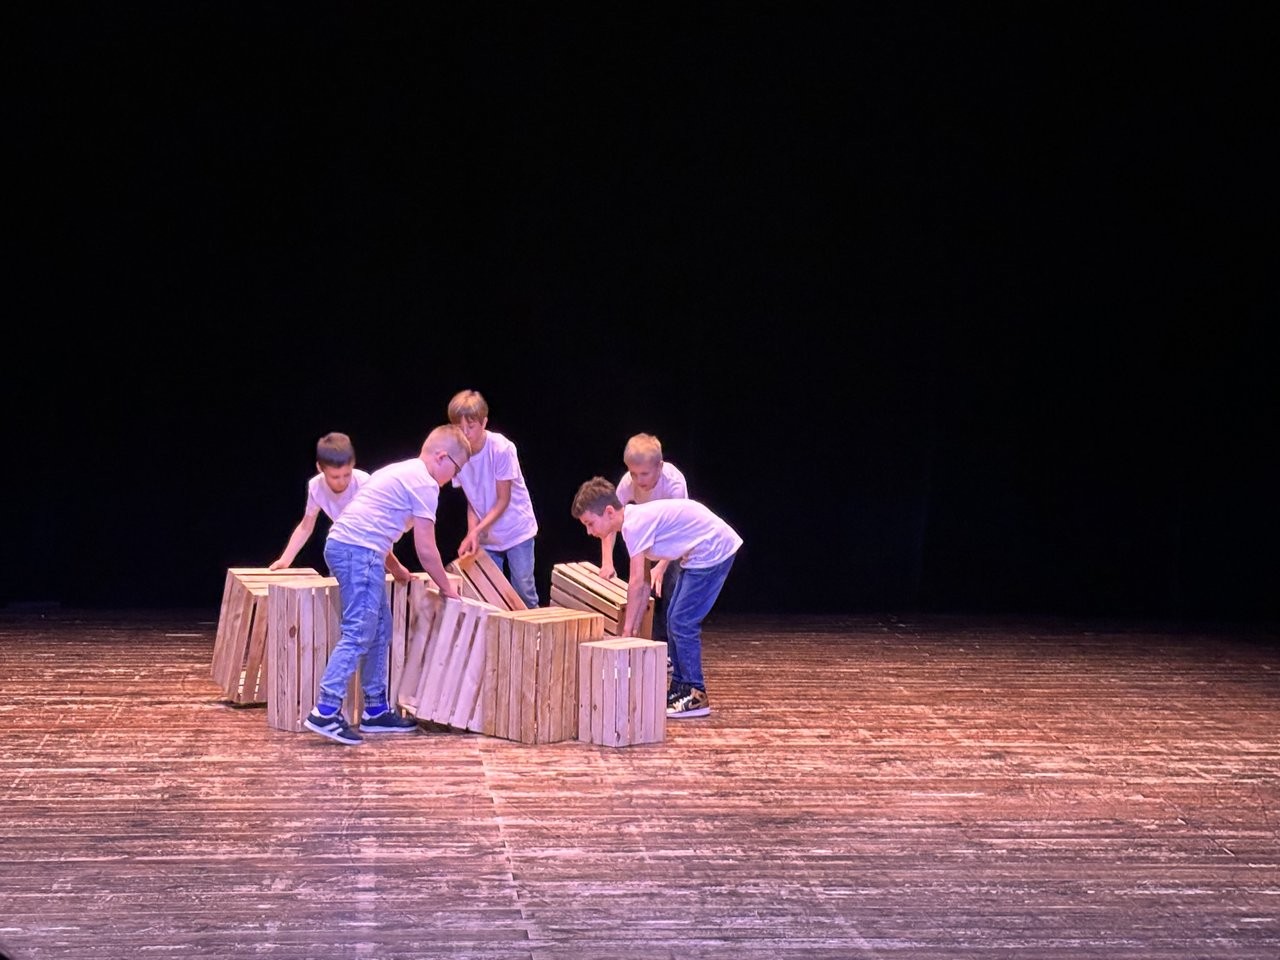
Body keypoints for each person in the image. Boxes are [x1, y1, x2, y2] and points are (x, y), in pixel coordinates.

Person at [303, 424, 471, 745]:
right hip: (358, 551)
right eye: (456, 469)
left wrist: (396, 567)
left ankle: (376, 710)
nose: (454, 479)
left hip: (357, 549)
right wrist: (447, 588)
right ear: (441, 457)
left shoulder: (399, 470)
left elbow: (375, 525)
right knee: (359, 630)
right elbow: (426, 548)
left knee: (380, 628)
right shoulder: (424, 483)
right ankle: (325, 708)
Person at [571, 476, 742, 719]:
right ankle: (681, 686)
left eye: (590, 523)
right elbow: (644, 585)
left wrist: (627, 633)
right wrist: (632, 630)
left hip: (713, 549)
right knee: (673, 619)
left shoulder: (634, 525)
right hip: (698, 553)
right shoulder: (633, 523)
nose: (589, 532)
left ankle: (696, 693)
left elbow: (636, 582)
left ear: (609, 512)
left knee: (682, 622)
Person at [269, 432, 412, 581]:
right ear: (320, 468)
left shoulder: (364, 483)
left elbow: (378, 531)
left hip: (375, 551)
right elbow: (306, 527)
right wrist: (285, 560)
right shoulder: (316, 486)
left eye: (347, 474)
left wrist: (394, 567)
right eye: (335, 477)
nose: (342, 481)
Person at [446, 389, 540, 608]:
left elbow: (503, 500)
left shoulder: (501, 449)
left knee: (523, 590)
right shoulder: (457, 453)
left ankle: (534, 627)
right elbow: (472, 500)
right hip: (488, 536)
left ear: (484, 423)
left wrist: (476, 532)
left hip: (516, 530)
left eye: (471, 426)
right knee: (490, 596)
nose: (465, 433)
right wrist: (472, 533)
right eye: (459, 427)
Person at [598, 433, 688, 656]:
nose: (638, 480)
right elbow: (609, 519)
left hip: (674, 539)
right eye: (633, 473)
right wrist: (607, 561)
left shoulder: (674, 485)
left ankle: (668, 651)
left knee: (670, 589)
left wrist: (661, 566)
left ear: (660, 466)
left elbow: (678, 533)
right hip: (646, 535)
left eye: (644, 474)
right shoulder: (627, 483)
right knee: (639, 584)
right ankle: (636, 637)